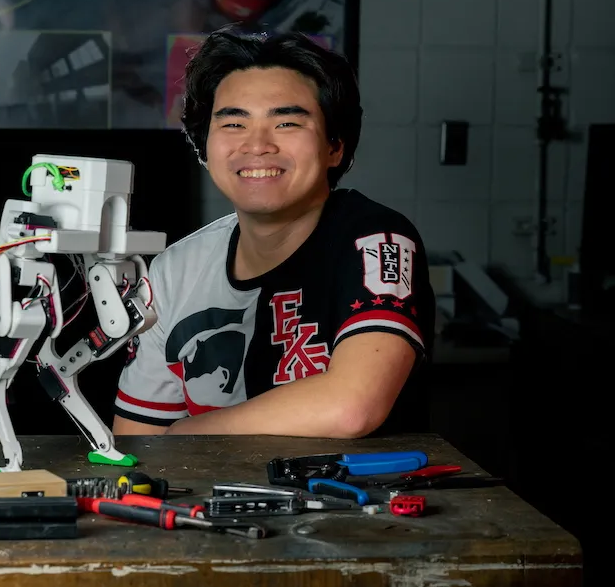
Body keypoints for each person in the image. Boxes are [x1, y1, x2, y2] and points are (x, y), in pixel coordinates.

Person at [111, 28, 434, 438]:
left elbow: (352, 406)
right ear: (204, 146)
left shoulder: (375, 241)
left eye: (285, 123)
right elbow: (136, 438)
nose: (258, 145)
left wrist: (184, 435)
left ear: (334, 145)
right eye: (233, 123)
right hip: (205, 501)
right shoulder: (175, 269)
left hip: (361, 499)